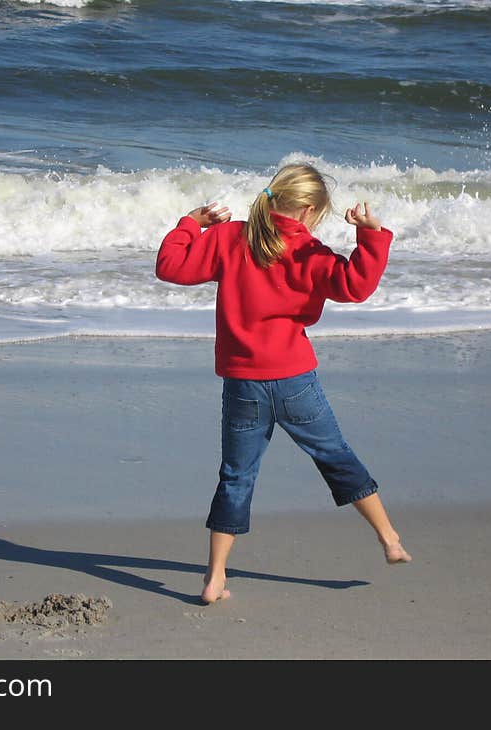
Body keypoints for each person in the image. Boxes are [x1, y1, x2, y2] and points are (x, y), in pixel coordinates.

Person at [155, 162, 411, 605]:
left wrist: (190, 224)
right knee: (334, 455)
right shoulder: (310, 251)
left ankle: (214, 578)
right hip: (295, 380)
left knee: (236, 477)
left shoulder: (230, 237)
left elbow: (169, 266)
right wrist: (371, 234)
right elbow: (356, 286)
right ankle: (389, 539)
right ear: (309, 210)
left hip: (243, 384)